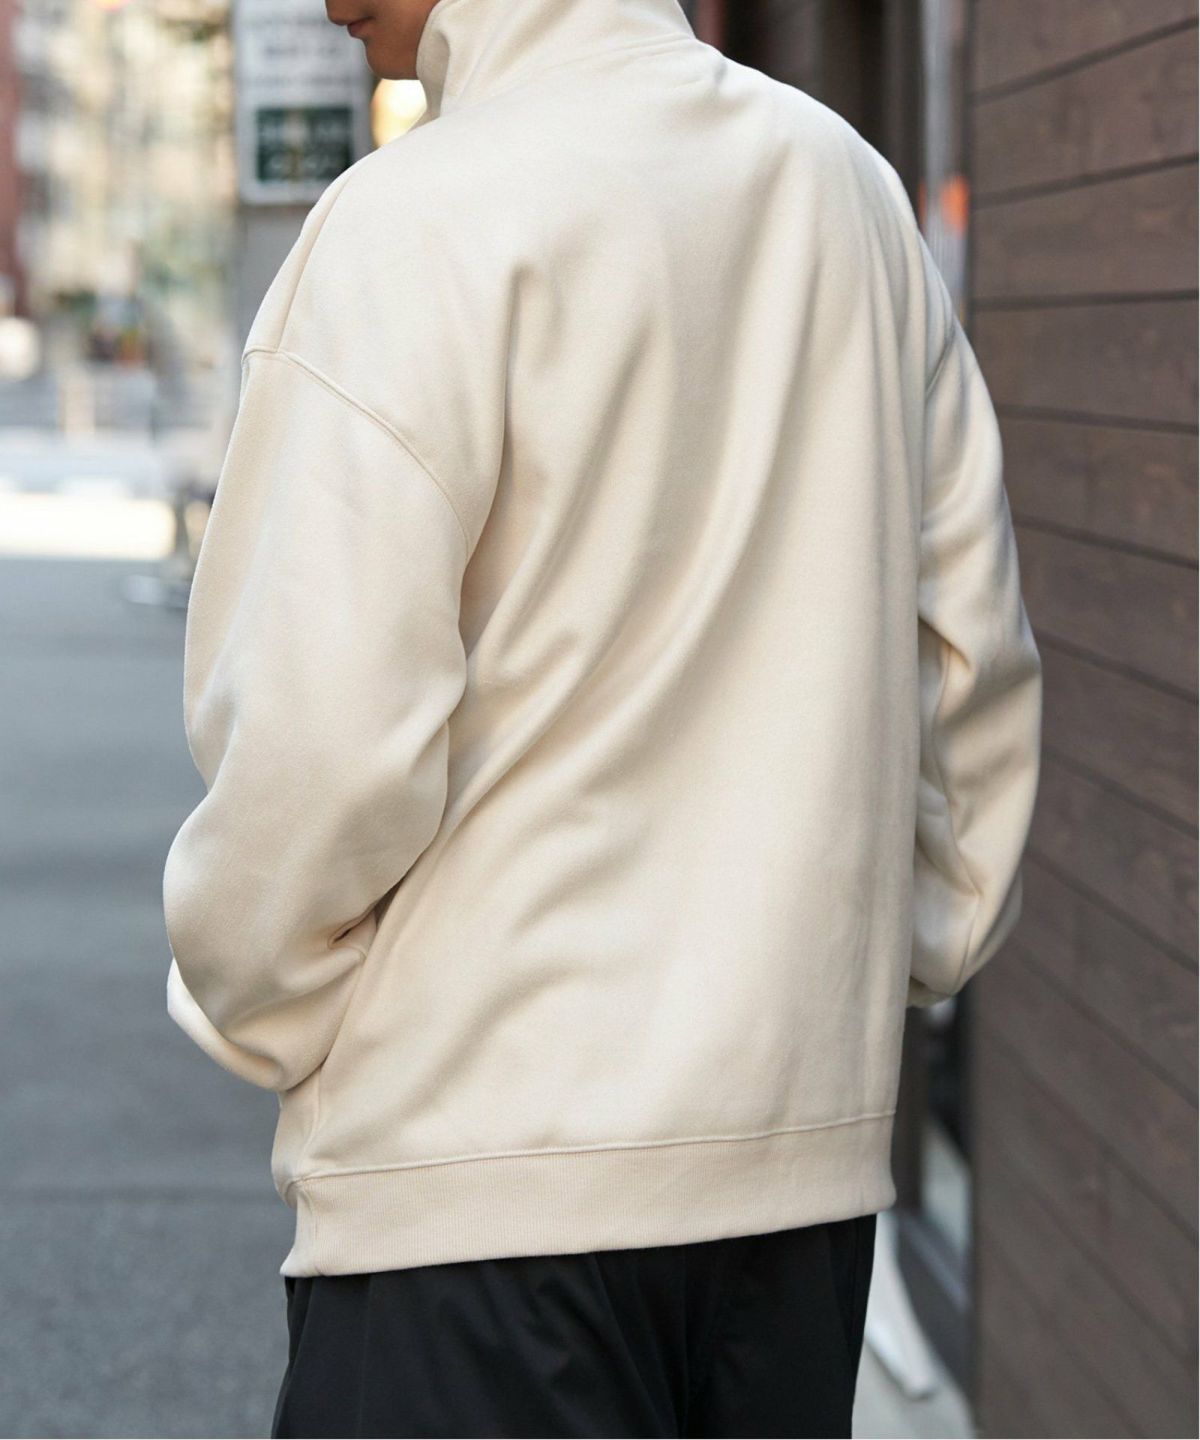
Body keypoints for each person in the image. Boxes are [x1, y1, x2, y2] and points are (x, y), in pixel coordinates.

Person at [160, 0, 1044, 1434]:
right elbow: (971, 662)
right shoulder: (848, 192)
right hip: (793, 1197)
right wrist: (858, 974)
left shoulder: (412, 223)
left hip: (473, 1191)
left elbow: (313, 752)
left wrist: (282, 1013)